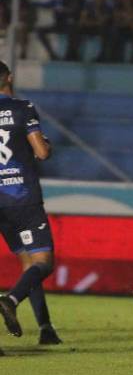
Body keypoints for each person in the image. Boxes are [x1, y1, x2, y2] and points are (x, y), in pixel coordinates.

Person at [0, 61, 60, 345]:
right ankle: (11, 300)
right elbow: (42, 152)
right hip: (22, 197)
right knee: (42, 262)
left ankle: (46, 328)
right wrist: (45, 144)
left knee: (28, 264)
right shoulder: (23, 108)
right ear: (9, 78)